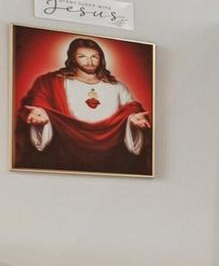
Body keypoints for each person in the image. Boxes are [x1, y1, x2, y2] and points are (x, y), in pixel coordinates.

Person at [15, 36, 152, 174]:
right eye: (82, 57)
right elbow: (39, 101)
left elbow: (131, 108)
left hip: (112, 152)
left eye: (94, 57)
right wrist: (40, 112)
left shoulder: (117, 86)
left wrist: (133, 117)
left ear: (101, 58)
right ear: (73, 58)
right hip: (65, 149)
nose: (90, 62)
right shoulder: (52, 82)